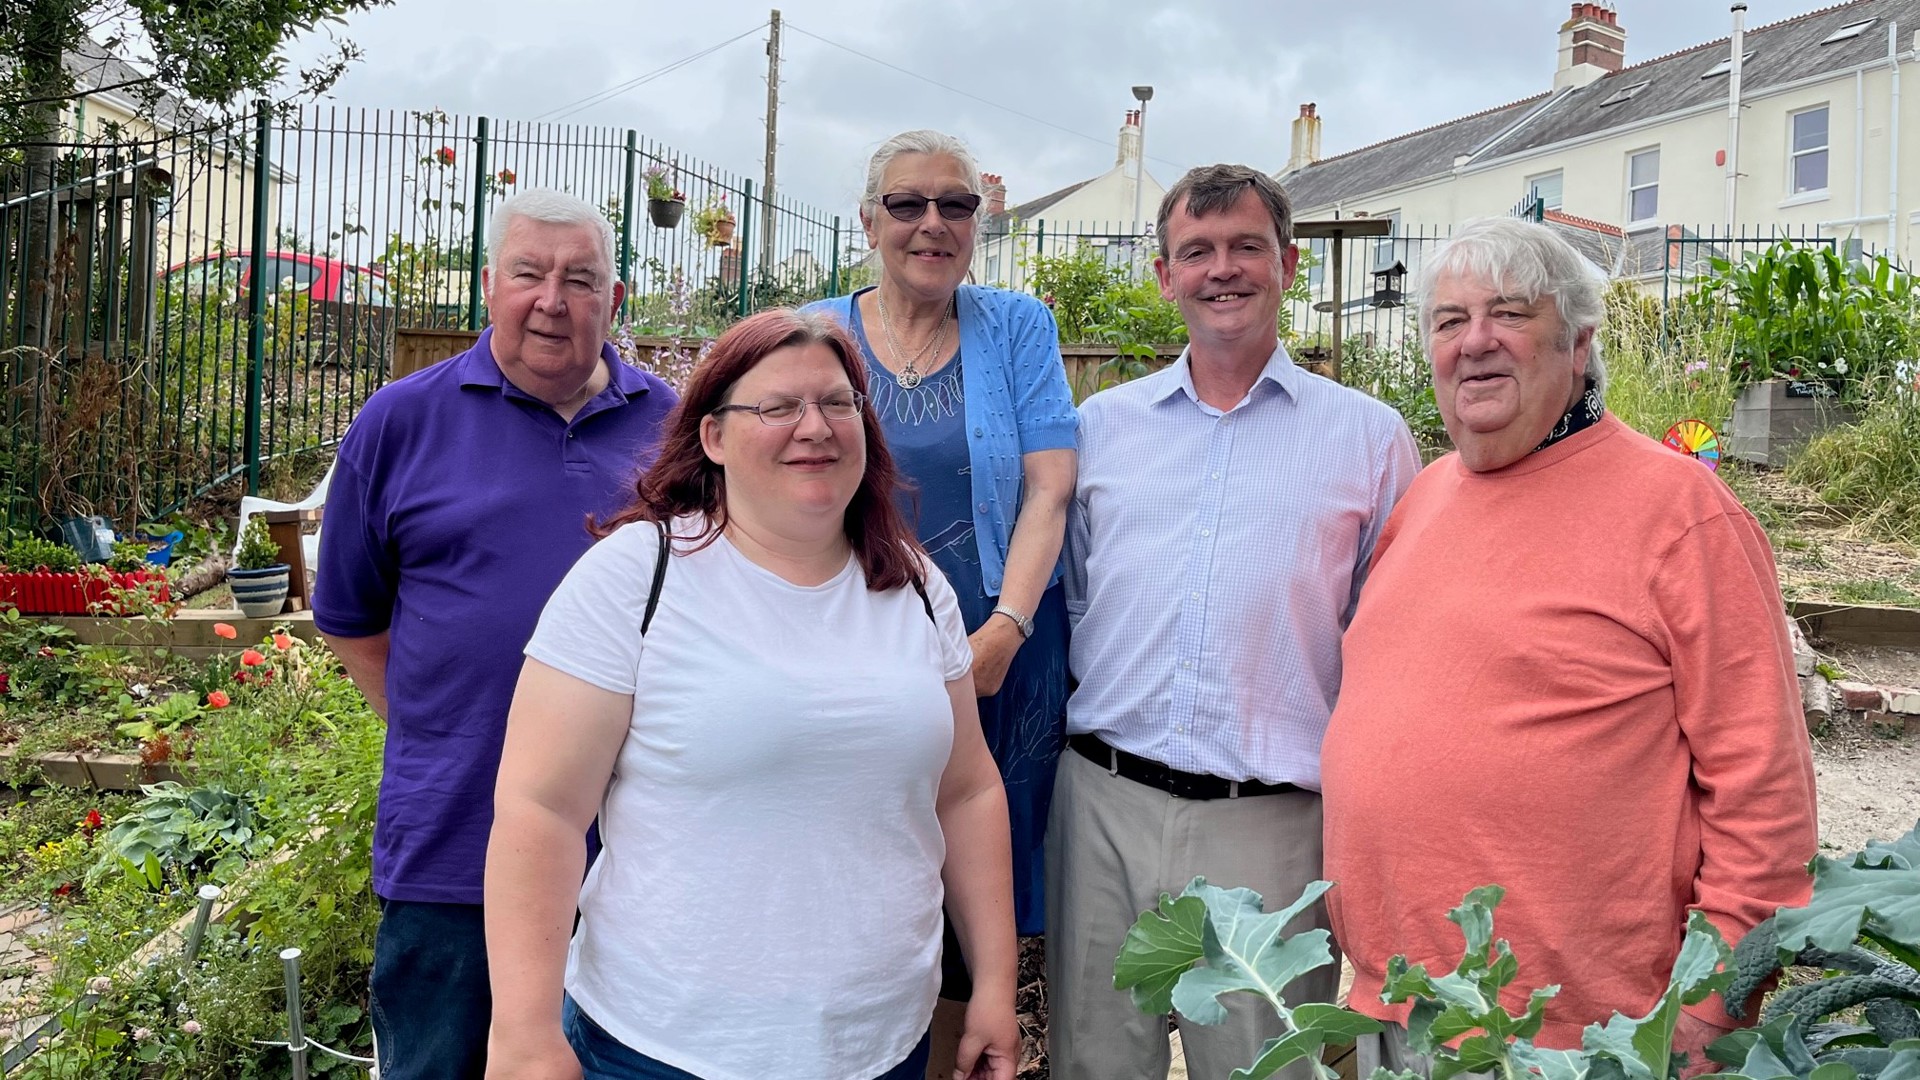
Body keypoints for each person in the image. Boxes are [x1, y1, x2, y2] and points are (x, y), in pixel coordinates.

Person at [1321, 217, 1819, 1072]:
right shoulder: (1426, 496)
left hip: (1582, 1037)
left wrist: (1712, 1004)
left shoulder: (1680, 513)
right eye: (1449, 321)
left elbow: (1763, 787)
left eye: (1508, 314)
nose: (1474, 343)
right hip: (1405, 1011)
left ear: (1580, 343)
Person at [482, 309, 1020, 1080]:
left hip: (882, 1045)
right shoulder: (637, 576)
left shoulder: (914, 584)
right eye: (777, 407)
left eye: (839, 404)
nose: (816, 427)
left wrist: (995, 986)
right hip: (665, 1050)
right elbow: (542, 809)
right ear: (713, 437)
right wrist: (526, 1037)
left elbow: (967, 792)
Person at [1051, 164, 1420, 1079]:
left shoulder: (1369, 439)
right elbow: (1078, 596)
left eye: (1246, 247)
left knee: (1264, 1069)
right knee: (1093, 1064)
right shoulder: (1100, 428)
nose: (1223, 270)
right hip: (1104, 804)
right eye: (1197, 251)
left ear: (1288, 264)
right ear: (1163, 274)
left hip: (1273, 822)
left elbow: (1391, 638)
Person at [314, 188, 678, 1080]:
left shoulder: (674, 431)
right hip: (453, 851)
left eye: (580, 279)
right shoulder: (399, 422)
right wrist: (448, 734)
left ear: (615, 301)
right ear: (488, 286)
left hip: (640, 854)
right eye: (529, 273)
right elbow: (353, 623)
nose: (552, 300)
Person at [804, 129, 1077, 1068]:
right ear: (869, 219)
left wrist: (1006, 626)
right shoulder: (816, 334)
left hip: (999, 652)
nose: (932, 224)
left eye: (955, 205)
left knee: (976, 880)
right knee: (858, 856)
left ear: (978, 222)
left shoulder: (1017, 327)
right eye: (907, 204)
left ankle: (961, 1051)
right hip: (850, 653)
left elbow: (1049, 487)